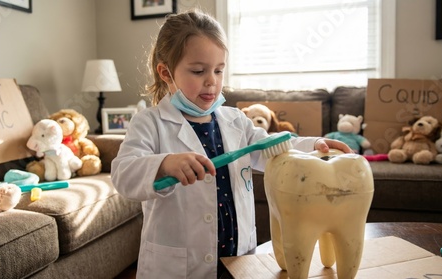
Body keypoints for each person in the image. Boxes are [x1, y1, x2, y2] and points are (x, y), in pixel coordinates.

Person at [110, 9, 352, 279]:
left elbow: (272, 148)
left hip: (237, 254)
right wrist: (164, 164)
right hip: (179, 266)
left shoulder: (236, 120)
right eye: (198, 70)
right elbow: (123, 174)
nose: (211, 80)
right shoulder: (150, 122)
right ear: (166, 72)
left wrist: (314, 145)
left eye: (218, 70)